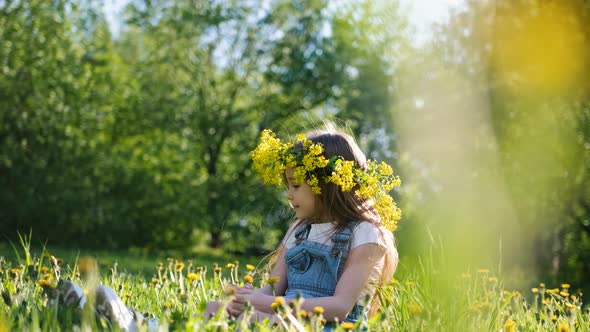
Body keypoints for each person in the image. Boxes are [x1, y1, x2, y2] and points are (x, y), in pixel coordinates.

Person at [206, 127, 402, 330]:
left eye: (296, 185)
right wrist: (247, 297)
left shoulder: (364, 232)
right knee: (212, 309)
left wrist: (264, 304)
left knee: (267, 322)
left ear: (327, 184)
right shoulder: (298, 231)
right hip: (286, 319)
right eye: (287, 186)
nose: (289, 195)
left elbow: (340, 307)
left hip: (332, 326)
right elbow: (273, 291)